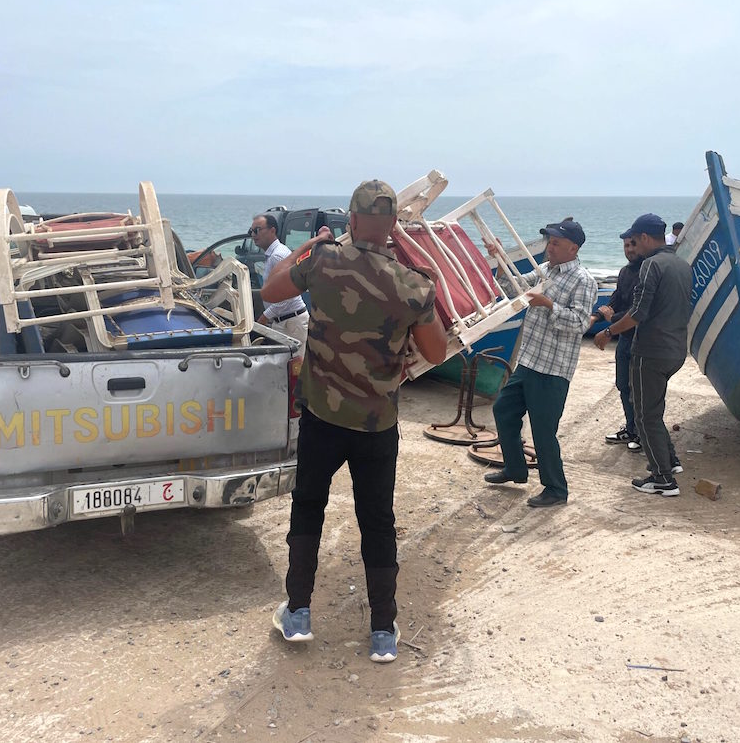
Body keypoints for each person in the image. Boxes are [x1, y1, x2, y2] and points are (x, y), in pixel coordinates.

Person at [260, 179, 446, 663]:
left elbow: (271, 289)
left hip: (322, 416)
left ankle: (298, 612)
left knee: (308, 510)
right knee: (377, 523)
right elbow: (435, 351)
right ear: (392, 229)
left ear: (353, 221)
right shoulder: (413, 284)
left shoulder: (321, 261)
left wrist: (310, 244)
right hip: (377, 425)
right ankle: (383, 631)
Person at [482, 219, 598, 508]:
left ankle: (556, 489)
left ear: (573, 248)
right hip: (529, 360)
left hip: (554, 369)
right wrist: (499, 260)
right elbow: (515, 291)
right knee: (503, 410)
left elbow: (581, 323)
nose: (550, 247)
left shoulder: (583, 280)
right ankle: (515, 469)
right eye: (549, 241)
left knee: (543, 431)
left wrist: (548, 305)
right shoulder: (545, 271)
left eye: (556, 243)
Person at [595, 213, 692, 497]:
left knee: (645, 414)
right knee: (654, 411)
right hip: (675, 349)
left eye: (635, 240)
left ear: (646, 238)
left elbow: (638, 314)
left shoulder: (651, 265)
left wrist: (608, 331)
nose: (633, 246)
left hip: (650, 351)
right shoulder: (681, 264)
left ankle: (662, 479)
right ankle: (670, 462)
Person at [592, 235, 643, 447]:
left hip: (642, 340)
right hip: (624, 339)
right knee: (623, 384)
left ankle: (642, 433)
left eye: (633, 245)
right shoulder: (624, 272)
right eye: (625, 245)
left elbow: (634, 310)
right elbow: (616, 299)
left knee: (640, 389)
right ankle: (631, 429)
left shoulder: (646, 273)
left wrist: (610, 320)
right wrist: (597, 315)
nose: (629, 249)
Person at [250, 213, 310, 358]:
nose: (253, 235)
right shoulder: (272, 255)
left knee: (296, 370)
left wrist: (264, 317)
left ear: (272, 230)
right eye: (250, 231)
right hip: (282, 322)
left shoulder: (278, 256)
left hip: (292, 323)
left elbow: (288, 295)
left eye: (257, 230)